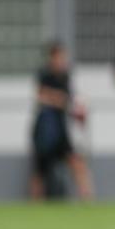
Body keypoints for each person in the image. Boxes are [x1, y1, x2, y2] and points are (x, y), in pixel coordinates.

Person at [30, 41, 93, 200]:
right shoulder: (44, 74)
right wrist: (59, 99)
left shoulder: (65, 76)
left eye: (63, 57)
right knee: (40, 170)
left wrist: (76, 109)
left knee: (76, 162)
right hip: (46, 131)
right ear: (51, 58)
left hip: (62, 129)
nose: (61, 60)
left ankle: (87, 199)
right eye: (58, 57)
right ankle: (34, 204)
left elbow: (71, 101)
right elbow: (41, 96)